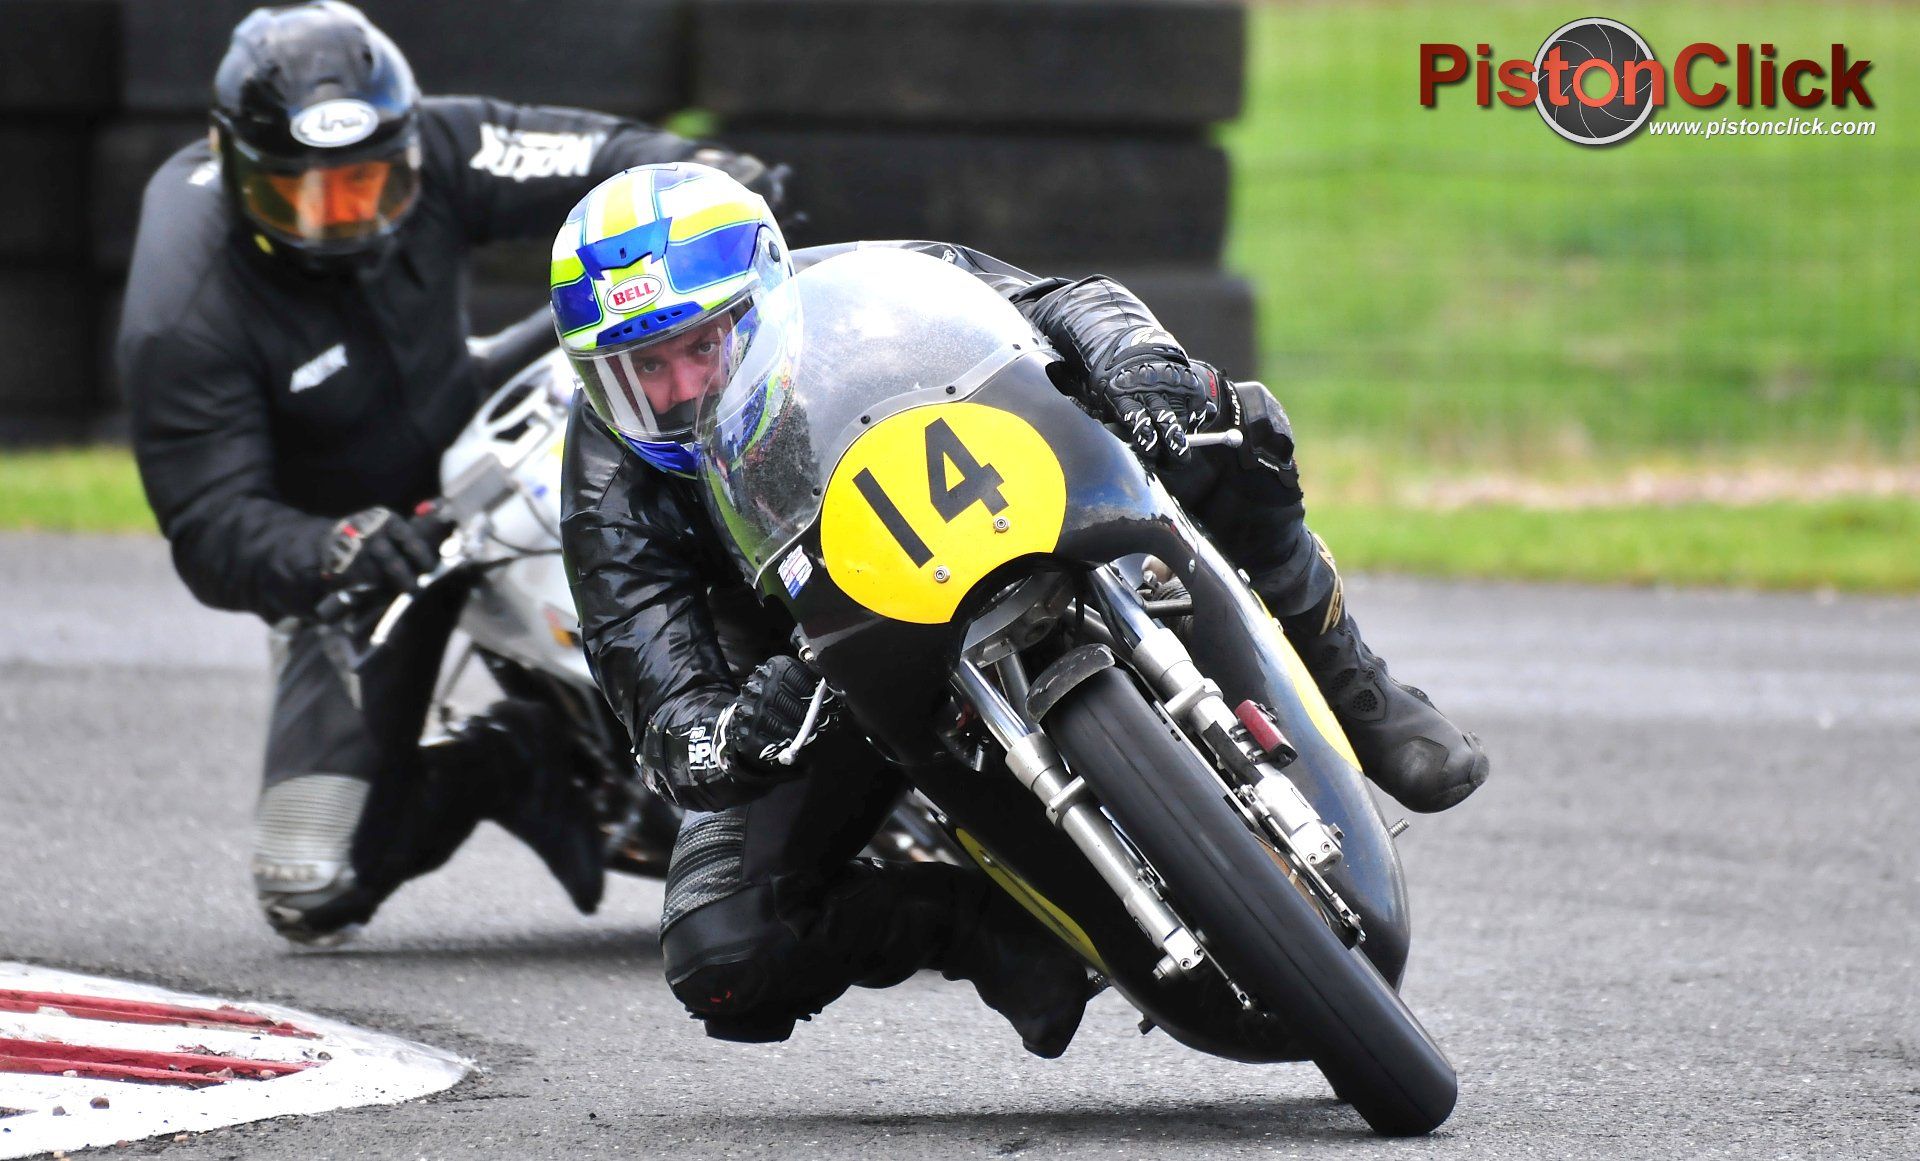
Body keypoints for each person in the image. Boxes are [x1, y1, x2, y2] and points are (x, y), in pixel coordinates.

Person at [556, 164, 1490, 1055]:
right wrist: (737, 733)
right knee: (724, 951)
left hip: (997, 506)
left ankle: (1356, 684)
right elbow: (664, 710)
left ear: (763, 303)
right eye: (642, 370)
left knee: (1220, 420)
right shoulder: (610, 487)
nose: (680, 395)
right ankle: (979, 930)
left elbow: (1054, 302)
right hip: (813, 671)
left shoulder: (865, 287)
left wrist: (1136, 358)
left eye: (700, 347)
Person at [119, 2, 784, 946]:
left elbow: (606, 158)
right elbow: (210, 525)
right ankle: (521, 755)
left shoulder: (433, 136)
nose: (342, 221)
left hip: (479, 405)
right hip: (369, 542)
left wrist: (720, 182)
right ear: (231, 166)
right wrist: (333, 546)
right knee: (313, 881)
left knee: (684, 393)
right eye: (303, 198)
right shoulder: (179, 310)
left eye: (366, 186)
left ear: (406, 144)